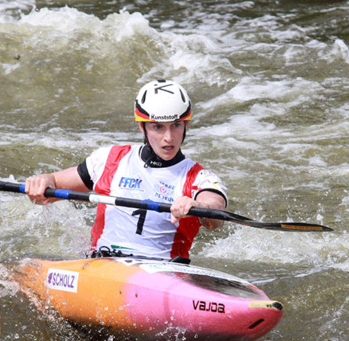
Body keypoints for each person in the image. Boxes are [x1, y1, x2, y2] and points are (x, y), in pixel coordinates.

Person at [25, 79, 228, 261]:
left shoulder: (199, 177)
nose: (169, 137)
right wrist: (42, 182)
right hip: (100, 264)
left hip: (163, 271)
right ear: (142, 126)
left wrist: (197, 205)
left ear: (186, 124)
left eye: (176, 125)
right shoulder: (110, 159)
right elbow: (51, 188)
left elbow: (215, 212)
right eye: (158, 127)